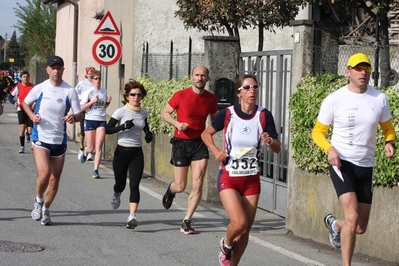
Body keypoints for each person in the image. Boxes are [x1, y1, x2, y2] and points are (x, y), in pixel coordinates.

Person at [311, 53, 395, 266]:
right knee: (352, 216)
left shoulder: (379, 98)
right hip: (342, 163)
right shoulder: (335, 99)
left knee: (359, 226)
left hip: (366, 165)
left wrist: (389, 142)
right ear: (347, 71)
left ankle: (335, 225)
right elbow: (318, 132)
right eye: (358, 69)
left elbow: (388, 129)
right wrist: (330, 149)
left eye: (366, 69)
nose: (363, 73)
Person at [201, 75, 281, 266]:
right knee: (239, 223)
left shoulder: (264, 115)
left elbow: (277, 148)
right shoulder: (228, 114)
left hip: (251, 179)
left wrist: (270, 141)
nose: (252, 91)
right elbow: (206, 134)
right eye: (247, 88)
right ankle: (226, 243)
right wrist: (216, 151)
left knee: (245, 231)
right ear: (239, 93)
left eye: (255, 87)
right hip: (229, 176)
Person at [22, 55, 83, 225]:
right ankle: (38, 201)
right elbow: (25, 103)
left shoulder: (70, 91)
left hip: (59, 140)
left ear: (63, 70)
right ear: (47, 70)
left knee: (55, 179)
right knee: (44, 173)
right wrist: (32, 117)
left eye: (59, 68)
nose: (56, 71)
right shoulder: (41, 88)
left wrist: (74, 118)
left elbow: (79, 113)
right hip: (41, 137)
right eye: (53, 68)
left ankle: (46, 209)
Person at [160, 65, 218, 234]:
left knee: (198, 182)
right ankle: (171, 191)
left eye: (203, 76)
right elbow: (165, 113)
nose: (200, 78)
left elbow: (214, 120)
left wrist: (211, 134)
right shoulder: (181, 95)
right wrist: (177, 124)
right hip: (181, 143)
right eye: (197, 75)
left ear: (207, 78)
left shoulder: (211, 98)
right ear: (191, 76)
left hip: (200, 143)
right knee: (180, 186)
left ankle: (187, 220)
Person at [106, 79, 153, 229]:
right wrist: (122, 127)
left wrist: (148, 133)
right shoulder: (121, 112)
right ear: (127, 96)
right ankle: (117, 192)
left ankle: (132, 216)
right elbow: (107, 129)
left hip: (136, 154)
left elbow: (145, 125)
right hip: (121, 152)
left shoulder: (144, 112)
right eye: (132, 94)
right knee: (120, 183)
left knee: (134, 185)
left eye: (139, 94)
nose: (136, 97)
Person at [79, 70, 112, 179]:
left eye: (99, 79)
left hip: (101, 120)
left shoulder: (104, 91)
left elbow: (103, 107)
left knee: (99, 145)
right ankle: (84, 152)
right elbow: (82, 108)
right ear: (92, 80)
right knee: (91, 147)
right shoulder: (88, 92)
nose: (98, 81)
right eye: (96, 79)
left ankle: (96, 170)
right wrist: (92, 101)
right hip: (90, 119)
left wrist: (107, 103)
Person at [8, 70, 35, 153]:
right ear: (21, 78)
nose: (25, 78)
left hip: (30, 110)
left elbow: (38, 97)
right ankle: (22, 147)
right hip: (21, 109)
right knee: (22, 128)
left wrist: (35, 103)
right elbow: (10, 96)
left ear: (29, 78)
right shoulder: (18, 87)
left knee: (30, 130)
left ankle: (28, 134)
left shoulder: (33, 87)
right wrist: (14, 102)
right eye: (24, 77)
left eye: (27, 77)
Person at [75, 66, 95, 161]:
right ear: (86, 74)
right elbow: (75, 93)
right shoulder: (82, 83)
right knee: (83, 130)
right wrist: (81, 99)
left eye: (93, 72)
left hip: (93, 110)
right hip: (84, 108)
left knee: (92, 131)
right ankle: (81, 148)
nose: (91, 74)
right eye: (90, 73)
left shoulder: (96, 83)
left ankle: (90, 152)